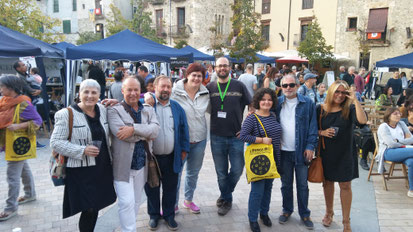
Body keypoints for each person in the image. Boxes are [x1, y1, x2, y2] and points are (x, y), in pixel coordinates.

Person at [50, 79, 116, 231]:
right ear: (79, 94)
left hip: (102, 167)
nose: (90, 96)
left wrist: (116, 102)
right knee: (89, 208)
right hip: (82, 170)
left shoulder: (103, 109)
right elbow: (55, 143)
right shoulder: (66, 114)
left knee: (96, 204)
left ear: (100, 94)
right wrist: (82, 150)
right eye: (86, 92)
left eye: (94, 92)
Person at [108, 77, 160, 232]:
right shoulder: (113, 110)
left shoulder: (148, 109)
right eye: (129, 89)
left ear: (141, 91)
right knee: (126, 202)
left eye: (136, 90)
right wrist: (145, 131)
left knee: (136, 201)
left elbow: (156, 130)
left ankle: (129, 227)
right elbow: (122, 134)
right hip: (122, 167)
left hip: (142, 165)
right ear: (122, 91)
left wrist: (133, 129)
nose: (132, 93)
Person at [317, 80, 367, 232]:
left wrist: (355, 99)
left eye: (343, 93)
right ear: (331, 92)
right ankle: (329, 212)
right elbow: (312, 130)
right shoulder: (320, 109)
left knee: (345, 185)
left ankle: (346, 221)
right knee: (328, 183)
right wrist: (322, 132)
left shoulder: (350, 108)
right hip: (327, 153)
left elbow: (362, 121)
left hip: (346, 153)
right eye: (337, 92)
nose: (340, 95)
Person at [206, 57, 252, 216]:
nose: (222, 68)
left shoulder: (239, 85)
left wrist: (247, 127)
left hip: (237, 136)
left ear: (230, 67)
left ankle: (224, 195)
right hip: (216, 136)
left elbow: (251, 106)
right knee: (221, 172)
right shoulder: (209, 87)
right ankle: (227, 200)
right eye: (219, 66)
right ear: (215, 68)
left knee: (238, 169)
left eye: (225, 65)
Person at [144, 75, 190, 231]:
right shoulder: (147, 106)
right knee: (152, 188)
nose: (165, 90)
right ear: (154, 88)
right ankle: (154, 215)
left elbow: (184, 130)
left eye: (168, 87)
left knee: (171, 187)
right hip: (152, 159)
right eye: (162, 86)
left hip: (172, 157)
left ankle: (169, 215)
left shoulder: (177, 108)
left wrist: (184, 150)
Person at [275, 74, 318, 230]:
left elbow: (313, 127)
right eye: (285, 85)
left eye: (291, 85)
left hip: (301, 151)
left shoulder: (307, 103)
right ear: (281, 86)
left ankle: (304, 213)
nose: (288, 88)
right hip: (283, 151)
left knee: (302, 185)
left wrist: (310, 146)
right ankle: (287, 210)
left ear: (297, 85)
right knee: (285, 184)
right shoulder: (277, 103)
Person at [0, 75, 42, 221]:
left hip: (18, 145)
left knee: (12, 176)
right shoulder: (4, 102)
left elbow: (38, 121)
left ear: (11, 88)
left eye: (2, 86)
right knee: (24, 169)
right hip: (9, 143)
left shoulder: (24, 104)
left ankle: (10, 208)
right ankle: (30, 194)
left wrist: (18, 126)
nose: (0, 89)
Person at [239, 88, 282, 232]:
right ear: (258, 101)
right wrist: (261, 140)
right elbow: (243, 135)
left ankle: (264, 213)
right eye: (263, 99)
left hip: (273, 158)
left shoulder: (273, 115)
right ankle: (252, 218)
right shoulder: (252, 118)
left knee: (268, 189)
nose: (266, 102)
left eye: (269, 100)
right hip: (258, 160)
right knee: (257, 191)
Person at [171, 63, 210, 214]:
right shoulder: (175, 92)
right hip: (180, 141)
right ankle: (173, 204)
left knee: (193, 173)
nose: (196, 78)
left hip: (199, 140)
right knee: (177, 173)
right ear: (187, 75)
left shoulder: (205, 93)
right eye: (193, 75)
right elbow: (158, 98)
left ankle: (188, 201)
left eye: (199, 75)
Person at [377, 107, 413, 198]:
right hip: (388, 152)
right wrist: (403, 142)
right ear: (388, 116)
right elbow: (390, 144)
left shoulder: (401, 124)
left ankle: (411, 190)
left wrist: (398, 141)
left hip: (403, 150)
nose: (398, 115)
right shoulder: (383, 126)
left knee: (412, 162)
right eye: (395, 114)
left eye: (399, 113)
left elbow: (411, 139)